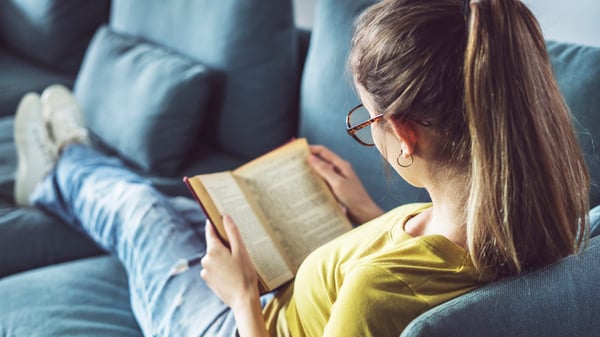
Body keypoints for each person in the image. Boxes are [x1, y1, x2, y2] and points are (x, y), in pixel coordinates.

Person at [12, 0, 590, 336]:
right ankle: (71, 162)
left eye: (367, 123)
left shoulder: (377, 291)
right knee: (186, 208)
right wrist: (366, 212)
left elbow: (386, 288)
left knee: (142, 215)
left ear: (406, 135)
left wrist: (240, 297)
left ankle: (61, 165)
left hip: (240, 324)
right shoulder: (547, 219)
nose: (370, 135)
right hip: (280, 306)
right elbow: (418, 266)